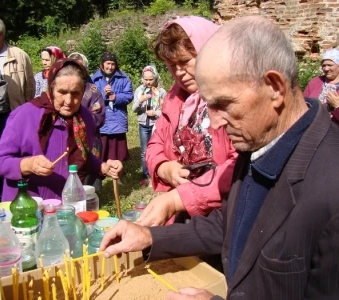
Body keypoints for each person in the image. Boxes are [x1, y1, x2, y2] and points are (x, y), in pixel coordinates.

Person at [100, 16, 339, 299]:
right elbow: (229, 223)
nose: (213, 124)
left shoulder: (330, 187)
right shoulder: (259, 144)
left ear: (274, 87)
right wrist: (152, 237)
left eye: (223, 104)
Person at [137, 16, 237, 226]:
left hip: (226, 213)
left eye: (185, 61)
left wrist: (183, 198)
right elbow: (156, 142)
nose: (179, 72)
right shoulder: (175, 97)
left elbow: (239, 165)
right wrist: (165, 168)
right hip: (183, 214)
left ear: (210, 53)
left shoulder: (233, 96)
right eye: (171, 65)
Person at [0, 58, 122, 201]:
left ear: (83, 91)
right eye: (62, 92)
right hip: (27, 207)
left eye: (76, 93)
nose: (69, 101)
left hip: (67, 208)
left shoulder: (85, 118)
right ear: (51, 89)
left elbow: (83, 156)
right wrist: (27, 165)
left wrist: (102, 167)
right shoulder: (24, 115)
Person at [69, 52, 106, 191]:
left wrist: (76, 121)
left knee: (89, 177)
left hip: (89, 139)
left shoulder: (92, 91)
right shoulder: (64, 89)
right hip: (68, 139)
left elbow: (99, 116)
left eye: (79, 68)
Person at [91, 52, 133, 164]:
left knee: (117, 150)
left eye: (113, 64)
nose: (110, 67)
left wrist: (115, 97)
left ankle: (117, 173)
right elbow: (91, 98)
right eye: (108, 63)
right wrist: (103, 95)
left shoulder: (123, 78)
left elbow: (129, 95)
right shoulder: (94, 79)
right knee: (102, 149)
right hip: (102, 120)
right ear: (102, 64)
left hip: (117, 119)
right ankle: (102, 170)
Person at [132, 65, 166, 186]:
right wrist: (140, 100)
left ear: (155, 78)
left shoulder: (161, 92)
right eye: (146, 79)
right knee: (144, 151)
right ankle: (146, 175)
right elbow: (134, 109)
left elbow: (165, 111)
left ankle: (156, 175)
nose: (148, 82)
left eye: (150, 79)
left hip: (156, 125)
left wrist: (155, 113)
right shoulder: (139, 90)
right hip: (143, 125)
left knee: (156, 149)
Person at [303, 48, 339, 122]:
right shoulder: (315, 82)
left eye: (330, 65)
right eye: (323, 65)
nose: (326, 68)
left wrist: (337, 105)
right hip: (314, 126)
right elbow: (303, 104)